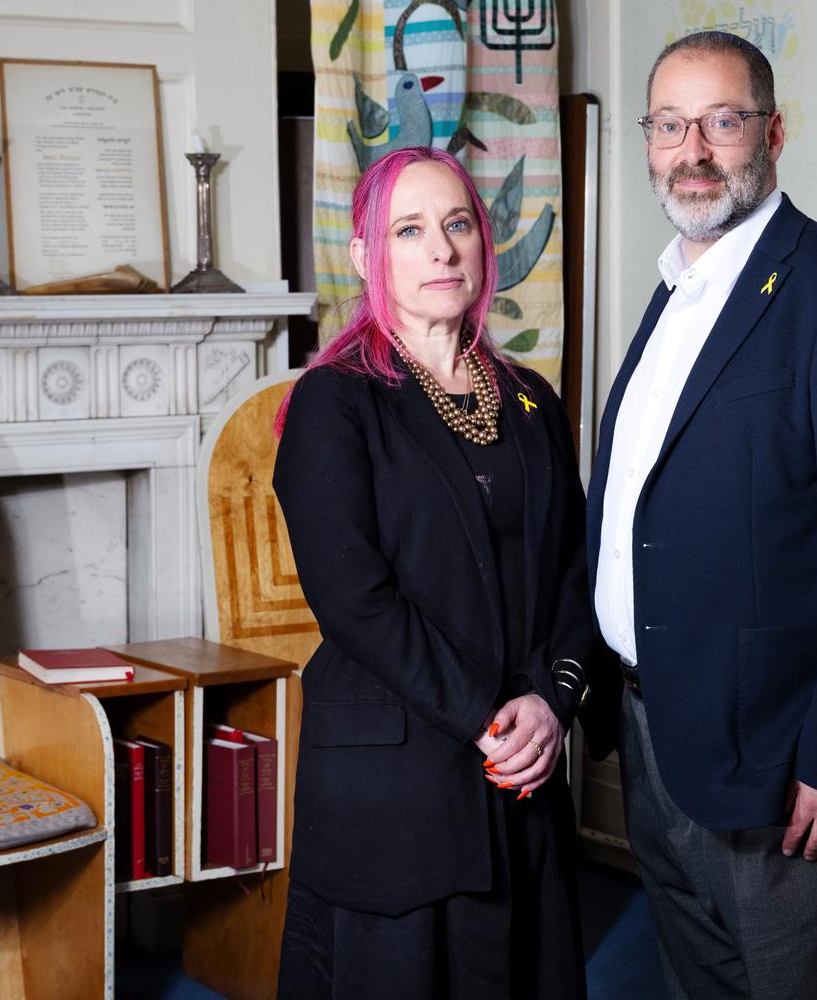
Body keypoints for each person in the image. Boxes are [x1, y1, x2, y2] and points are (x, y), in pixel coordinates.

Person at [587, 31, 817, 999]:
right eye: (669, 125)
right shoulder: (676, 295)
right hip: (661, 741)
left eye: (722, 121)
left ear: (772, 132)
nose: (693, 151)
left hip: (792, 764)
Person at [272, 146, 594, 999]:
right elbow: (353, 600)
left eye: (457, 224)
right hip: (397, 784)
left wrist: (553, 702)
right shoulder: (335, 401)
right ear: (364, 255)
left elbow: (576, 570)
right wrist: (487, 718)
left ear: (484, 241)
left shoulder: (531, 399)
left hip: (521, 768)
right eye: (408, 230)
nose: (442, 249)